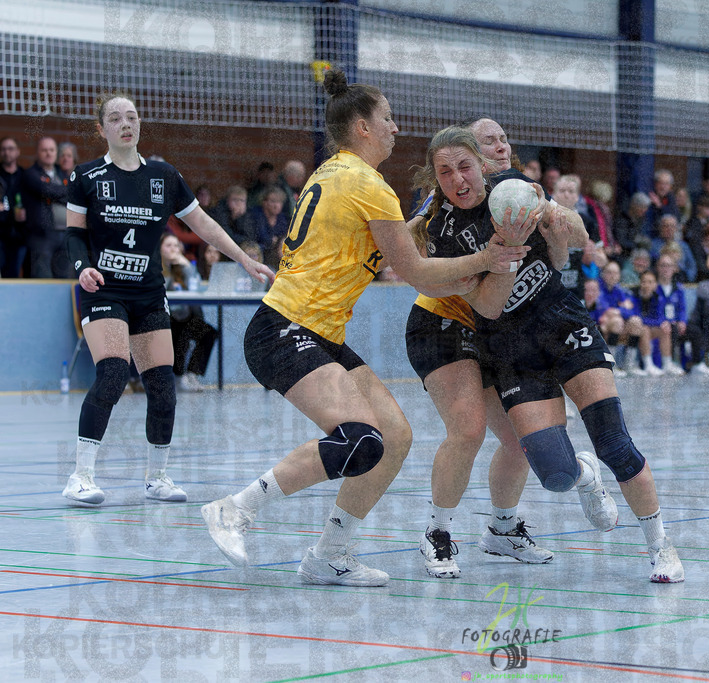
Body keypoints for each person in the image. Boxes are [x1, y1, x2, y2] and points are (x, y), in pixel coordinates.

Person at [200, 72, 527, 585]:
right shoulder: (368, 185)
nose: (396, 128)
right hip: (287, 327)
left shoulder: (334, 172)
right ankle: (236, 509)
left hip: (317, 331)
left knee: (393, 436)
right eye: (388, 118)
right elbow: (416, 272)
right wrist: (486, 257)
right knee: (361, 440)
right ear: (362, 126)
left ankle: (330, 553)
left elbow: (402, 245)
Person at [418, 129, 685, 584]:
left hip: (563, 323)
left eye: (465, 166)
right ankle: (582, 475)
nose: (458, 179)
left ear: (482, 166)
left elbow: (578, 243)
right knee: (556, 473)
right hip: (509, 347)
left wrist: (551, 213)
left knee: (614, 442)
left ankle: (661, 546)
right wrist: (504, 253)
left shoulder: (515, 188)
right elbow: (485, 307)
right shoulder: (443, 231)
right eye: (446, 172)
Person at [61, 93, 275, 506]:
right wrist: (81, 267)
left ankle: (156, 478)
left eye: (132, 117)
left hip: (147, 292)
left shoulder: (164, 176)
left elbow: (205, 224)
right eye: (116, 118)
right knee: (113, 371)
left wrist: (245, 260)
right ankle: (81, 476)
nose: (126, 123)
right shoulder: (86, 177)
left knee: (163, 385)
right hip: (102, 289)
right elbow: (72, 234)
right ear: (101, 129)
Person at [160, 233, 219, 391]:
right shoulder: (156, 267)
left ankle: (192, 373)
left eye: (176, 246)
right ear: (160, 249)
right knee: (180, 331)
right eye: (169, 246)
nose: (173, 249)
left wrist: (185, 264)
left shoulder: (183, 267)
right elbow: (162, 289)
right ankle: (177, 376)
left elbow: (196, 285)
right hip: (164, 317)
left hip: (185, 316)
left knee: (209, 333)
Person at [22, 136, 70, 278]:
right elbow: (47, 190)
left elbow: (73, 195)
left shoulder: (63, 174)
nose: (48, 153)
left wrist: (56, 192)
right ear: (37, 153)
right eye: (44, 150)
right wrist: (61, 191)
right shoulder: (30, 174)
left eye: (51, 150)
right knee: (43, 277)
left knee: (64, 277)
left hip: (65, 233)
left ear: (56, 153)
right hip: (42, 236)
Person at [0, 136, 28, 278]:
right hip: (1, 234)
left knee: (14, 275)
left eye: (10, 149)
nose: (7, 152)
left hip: (19, 236)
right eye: (3, 149)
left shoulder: (25, 176)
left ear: (18, 151)